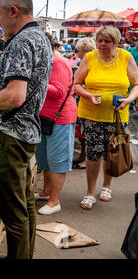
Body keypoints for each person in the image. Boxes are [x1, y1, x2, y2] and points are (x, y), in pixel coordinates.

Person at [0, 0, 53, 259]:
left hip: (12, 134)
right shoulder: (39, 38)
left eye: (0, 13)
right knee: (25, 204)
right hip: (27, 131)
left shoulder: (21, 41)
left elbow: (14, 96)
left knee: (12, 211)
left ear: (13, 11)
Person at [74, 26, 138, 210]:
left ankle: (107, 187)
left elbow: (136, 85)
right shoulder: (90, 57)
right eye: (100, 40)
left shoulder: (126, 57)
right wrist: (88, 95)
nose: (102, 44)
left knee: (113, 151)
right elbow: (77, 84)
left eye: (107, 41)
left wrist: (129, 99)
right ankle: (90, 192)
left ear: (116, 42)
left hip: (119, 116)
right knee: (93, 154)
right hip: (90, 115)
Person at [34, 33, 77, 215]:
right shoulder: (48, 62)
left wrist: (33, 81)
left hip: (60, 118)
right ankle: (46, 192)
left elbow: (58, 91)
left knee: (57, 159)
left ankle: (54, 201)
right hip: (46, 117)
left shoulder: (58, 63)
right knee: (45, 158)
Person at [71, 37, 96, 169]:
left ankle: (86, 159)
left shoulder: (90, 62)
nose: (76, 52)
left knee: (87, 134)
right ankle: (82, 156)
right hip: (83, 100)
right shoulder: (83, 62)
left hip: (88, 101)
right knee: (82, 133)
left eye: (78, 50)